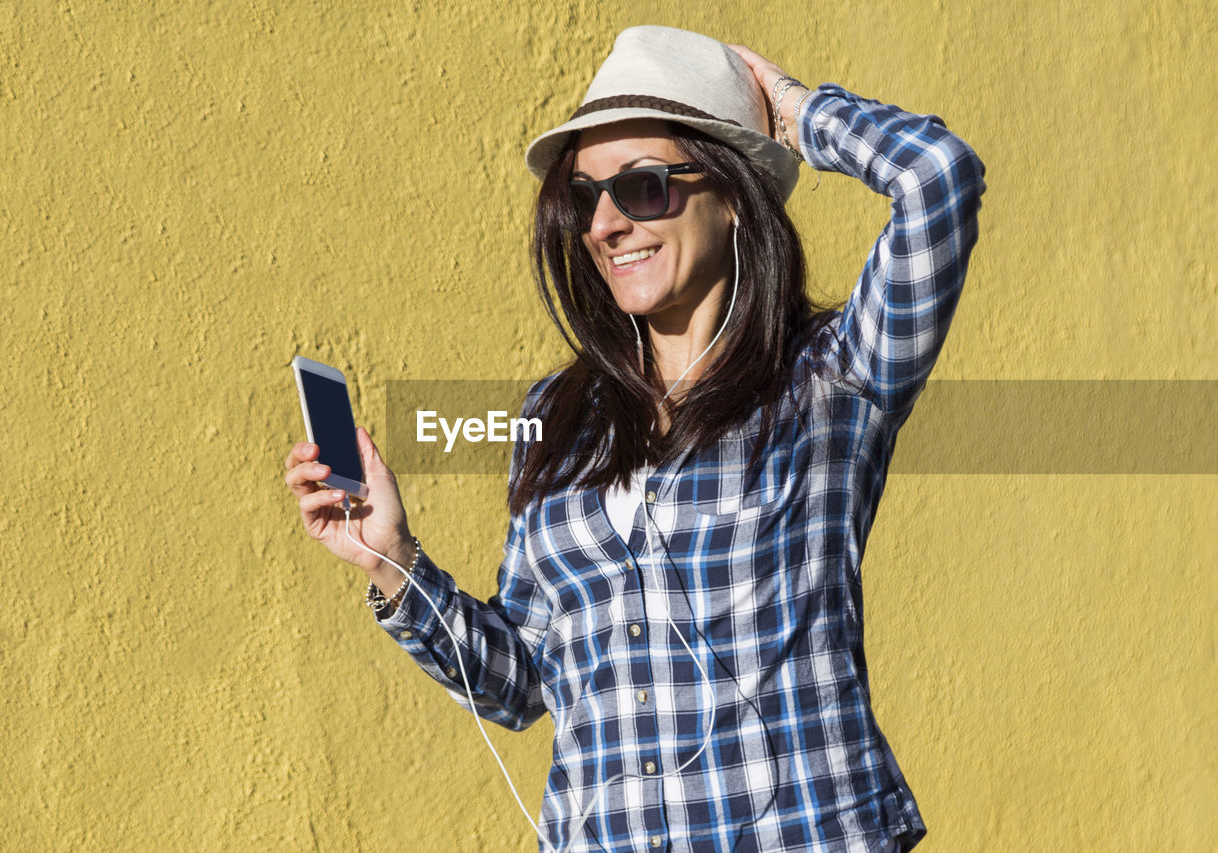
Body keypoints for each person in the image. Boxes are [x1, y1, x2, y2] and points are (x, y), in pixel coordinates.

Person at [285, 25, 985, 853]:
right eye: (585, 198)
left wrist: (795, 114)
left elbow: (938, 178)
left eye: (644, 186)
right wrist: (392, 560)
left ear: (731, 194)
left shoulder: (834, 377)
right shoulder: (559, 417)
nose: (606, 224)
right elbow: (523, 681)